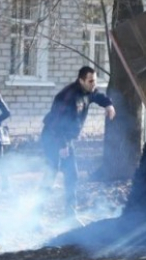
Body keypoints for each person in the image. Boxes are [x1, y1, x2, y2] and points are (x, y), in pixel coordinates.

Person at [40, 66, 115, 215]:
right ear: (81, 80)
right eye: (90, 81)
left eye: (95, 81)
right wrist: (62, 145)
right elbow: (55, 123)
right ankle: (35, 215)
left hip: (66, 139)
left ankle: (70, 215)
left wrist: (108, 105)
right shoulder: (67, 96)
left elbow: (97, 96)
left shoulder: (88, 91)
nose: (94, 84)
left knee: (72, 174)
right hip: (52, 138)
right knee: (51, 173)